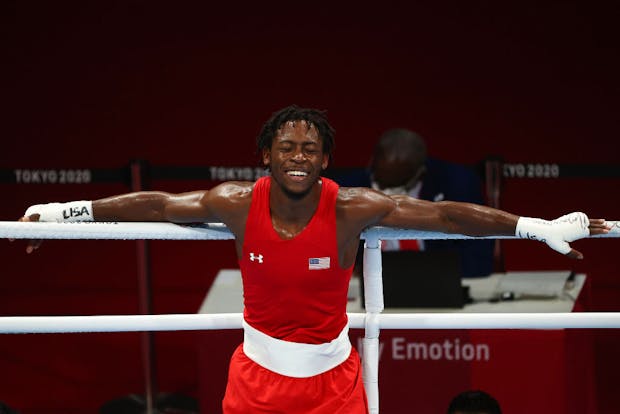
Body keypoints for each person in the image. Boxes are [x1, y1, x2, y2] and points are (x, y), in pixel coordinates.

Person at [15, 105, 609, 413]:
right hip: (255, 382)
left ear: (325, 159)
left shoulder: (352, 208)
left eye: (310, 148)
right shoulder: (236, 203)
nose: (297, 156)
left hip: (333, 385)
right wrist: (63, 211)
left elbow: (448, 215)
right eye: (286, 147)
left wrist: (534, 226)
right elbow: (155, 205)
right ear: (265, 155)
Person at [336, 128, 494, 278]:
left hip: (437, 282)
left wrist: (431, 275)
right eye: (381, 183)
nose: (388, 192)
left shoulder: (457, 184)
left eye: (398, 186)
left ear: (419, 172)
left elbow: (478, 256)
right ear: (372, 163)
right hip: (370, 283)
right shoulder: (347, 189)